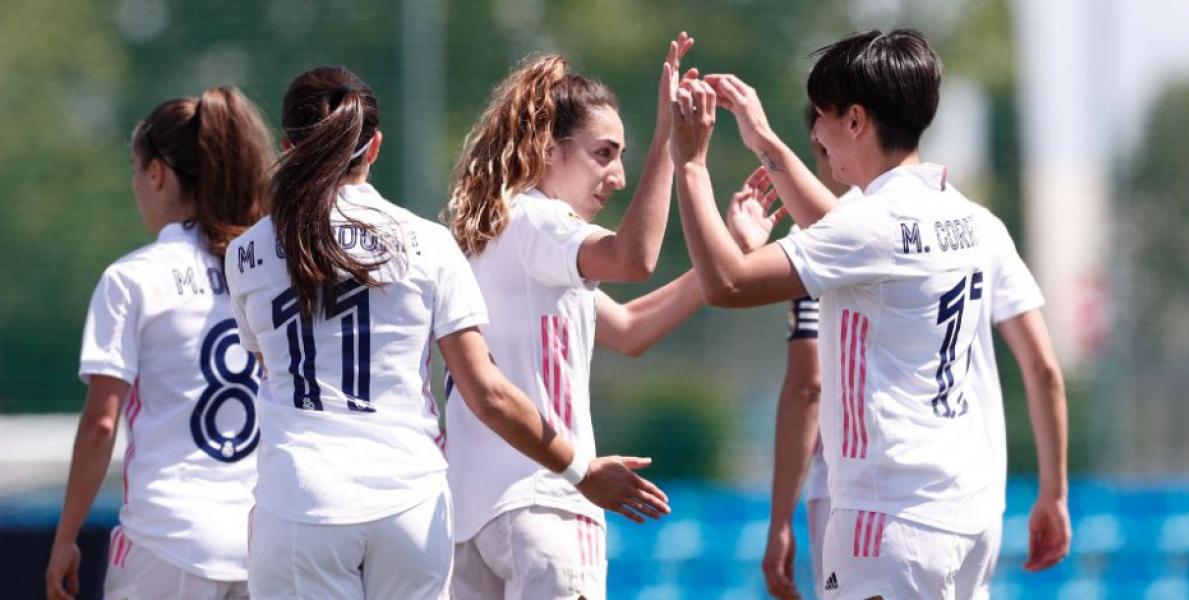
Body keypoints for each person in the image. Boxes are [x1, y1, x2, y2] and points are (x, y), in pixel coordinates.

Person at [224, 65, 665, 600]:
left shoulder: (245, 252)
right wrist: (580, 469)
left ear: (289, 146)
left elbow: (270, 372)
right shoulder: (429, 243)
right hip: (412, 506)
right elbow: (489, 392)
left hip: (299, 502)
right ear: (376, 146)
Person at [669, 29, 1070, 599]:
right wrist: (763, 139)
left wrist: (690, 166)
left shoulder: (871, 225)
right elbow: (843, 230)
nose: (815, 132)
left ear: (855, 120)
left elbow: (727, 283)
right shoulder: (971, 220)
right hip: (969, 512)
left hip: (887, 517)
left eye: (824, 116)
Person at [441, 34, 723, 599]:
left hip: (470, 517)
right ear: (549, 148)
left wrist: (725, 254)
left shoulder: (496, 233)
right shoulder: (540, 223)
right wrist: (672, 147)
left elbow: (628, 329)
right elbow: (634, 258)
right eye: (604, 153)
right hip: (547, 503)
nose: (617, 176)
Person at [45, 86, 276, 600]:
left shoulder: (132, 279)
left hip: (168, 538)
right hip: (263, 541)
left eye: (135, 170)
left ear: (157, 173)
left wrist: (65, 538)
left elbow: (103, 421)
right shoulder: (267, 272)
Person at [756, 106, 862, 600]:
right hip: (951, 491)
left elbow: (810, 384)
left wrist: (781, 520)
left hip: (854, 491)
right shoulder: (955, 223)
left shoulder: (817, 243)